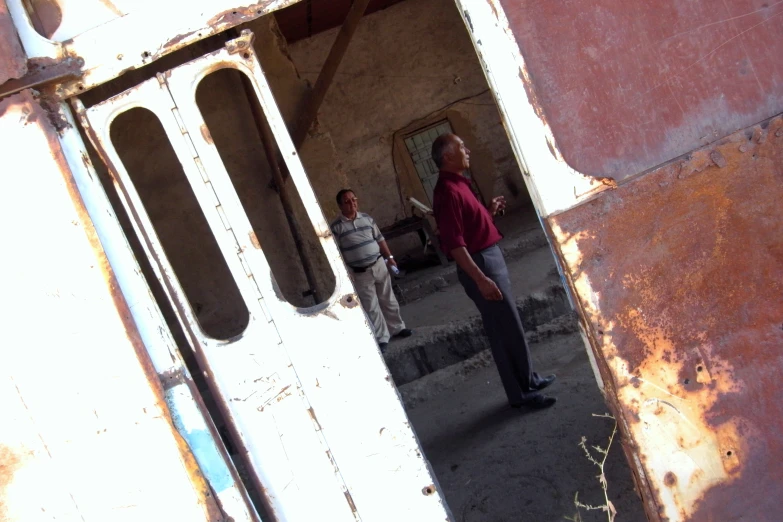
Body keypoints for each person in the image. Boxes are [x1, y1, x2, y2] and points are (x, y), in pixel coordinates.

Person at [431, 134, 557, 409]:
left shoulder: (459, 185)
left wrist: (488, 211)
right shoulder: (448, 192)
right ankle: (523, 394)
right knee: (505, 331)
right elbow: (454, 244)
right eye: (461, 146)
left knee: (509, 327)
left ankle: (528, 380)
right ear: (448, 156)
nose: (468, 149)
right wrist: (481, 279)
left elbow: (468, 227)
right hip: (481, 265)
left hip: (488, 257)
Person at [331, 189, 413, 350]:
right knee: (371, 305)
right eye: (347, 201)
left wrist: (389, 258)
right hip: (360, 272)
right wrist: (346, 272)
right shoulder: (336, 228)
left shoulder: (367, 219)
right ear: (340, 205)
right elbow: (336, 252)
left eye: (354, 199)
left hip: (378, 264)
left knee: (388, 298)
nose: (352, 203)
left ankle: (397, 328)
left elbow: (380, 239)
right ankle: (382, 337)